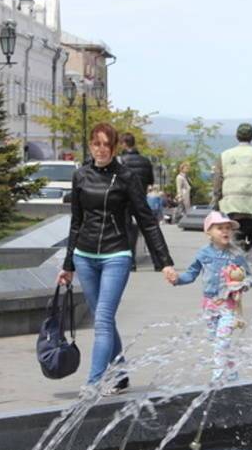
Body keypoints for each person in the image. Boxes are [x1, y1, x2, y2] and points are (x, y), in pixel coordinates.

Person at [56, 123, 177, 393]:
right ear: (89, 145)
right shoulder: (81, 176)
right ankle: (120, 373)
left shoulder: (126, 177)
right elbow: (76, 221)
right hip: (85, 256)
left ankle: (94, 382)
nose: (101, 150)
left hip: (116, 255)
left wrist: (165, 261)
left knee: (102, 320)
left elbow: (147, 220)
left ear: (114, 147)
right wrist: (68, 265)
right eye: (96, 144)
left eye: (106, 145)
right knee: (104, 319)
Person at [166, 211, 250, 383]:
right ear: (208, 232)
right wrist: (177, 280)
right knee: (218, 342)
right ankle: (232, 374)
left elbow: (250, 277)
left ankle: (217, 379)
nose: (225, 232)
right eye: (220, 228)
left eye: (228, 228)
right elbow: (191, 274)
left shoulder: (237, 255)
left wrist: (243, 284)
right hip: (209, 305)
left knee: (222, 342)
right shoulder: (203, 254)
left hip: (228, 305)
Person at [211, 123, 252, 279]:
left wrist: (215, 203)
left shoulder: (224, 155)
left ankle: (239, 269)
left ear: (237, 136)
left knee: (236, 237)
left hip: (232, 206)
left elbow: (218, 182)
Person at [117, 133, 155, 272]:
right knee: (147, 228)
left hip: (123, 200)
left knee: (126, 229)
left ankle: (130, 260)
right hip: (140, 198)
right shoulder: (145, 161)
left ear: (123, 144)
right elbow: (150, 180)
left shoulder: (120, 161)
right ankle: (158, 260)